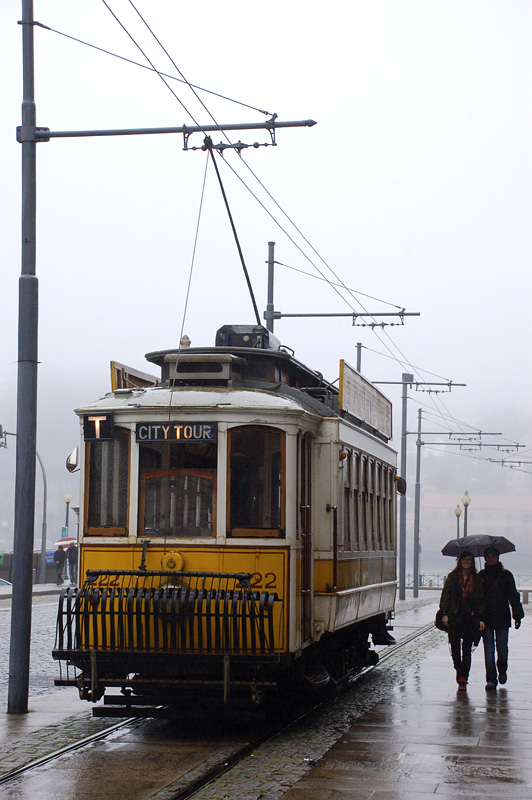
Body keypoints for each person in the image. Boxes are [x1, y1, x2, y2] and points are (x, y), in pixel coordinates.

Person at [479, 546, 524, 691]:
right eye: (488, 557)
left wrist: (517, 615)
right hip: (486, 618)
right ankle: (491, 679)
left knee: (502, 649)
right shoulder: (481, 576)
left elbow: (513, 596)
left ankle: (502, 670)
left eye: (493, 556)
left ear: (497, 558)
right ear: (485, 559)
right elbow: (477, 599)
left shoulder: (506, 575)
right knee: (489, 650)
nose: (491, 559)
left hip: (502, 617)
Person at [439, 551, 485, 691]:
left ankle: (464, 677)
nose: (466, 562)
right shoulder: (453, 577)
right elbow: (445, 596)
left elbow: (480, 600)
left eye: (469, 560)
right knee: (455, 648)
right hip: (454, 618)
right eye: (464, 559)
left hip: (470, 619)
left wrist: (481, 618)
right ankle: (458, 668)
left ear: (472, 562)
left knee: (467, 649)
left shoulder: (477, 580)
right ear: (460, 561)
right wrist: (445, 613)